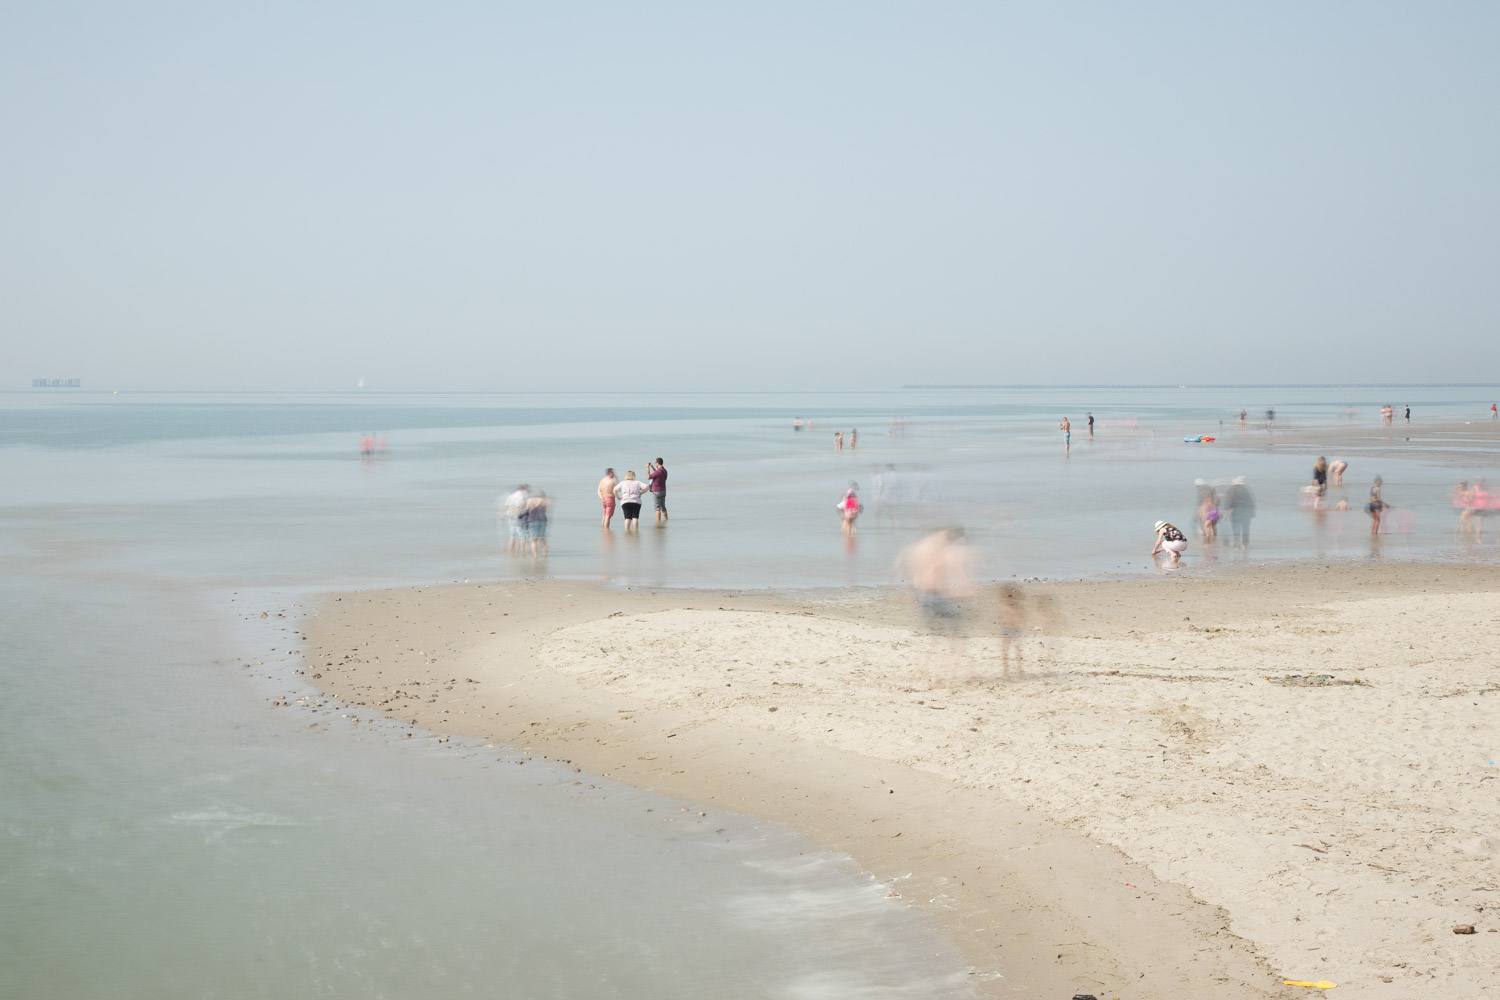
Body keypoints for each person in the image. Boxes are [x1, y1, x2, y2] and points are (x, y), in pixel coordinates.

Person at [1225, 477, 1256, 548]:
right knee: (1246, 529)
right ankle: (1244, 545)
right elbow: (1251, 502)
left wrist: (1226, 512)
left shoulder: (1232, 490)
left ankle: (1237, 544)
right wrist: (1252, 512)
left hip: (1235, 512)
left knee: (1236, 528)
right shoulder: (1246, 490)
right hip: (1246, 513)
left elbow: (1229, 501)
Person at [500, 484, 530, 556]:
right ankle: (523, 553)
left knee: (512, 536)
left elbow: (505, 506)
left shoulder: (511, 496)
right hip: (518, 517)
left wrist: (504, 516)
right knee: (522, 536)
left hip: (510, 517)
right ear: (523, 490)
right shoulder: (522, 496)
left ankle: (511, 553)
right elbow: (521, 506)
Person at [523, 490, 550, 559]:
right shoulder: (544, 501)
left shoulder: (530, 500)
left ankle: (535, 556)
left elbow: (527, 510)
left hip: (532, 521)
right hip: (542, 521)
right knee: (543, 539)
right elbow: (545, 511)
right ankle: (544, 556)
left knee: (534, 541)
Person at [646, 458, 668, 524]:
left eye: (655, 463)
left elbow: (648, 477)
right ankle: (666, 520)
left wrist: (648, 468)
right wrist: (652, 467)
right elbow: (656, 473)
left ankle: (658, 522)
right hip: (663, 490)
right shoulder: (664, 470)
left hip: (656, 491)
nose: (655, 463)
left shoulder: (658, 472)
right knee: (663, 507)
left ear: (657, 463)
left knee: (657, 507)